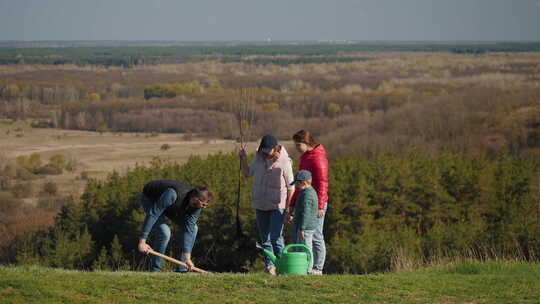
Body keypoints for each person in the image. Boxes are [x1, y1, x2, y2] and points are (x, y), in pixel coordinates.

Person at [239, 134, 295, 275]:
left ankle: (283, 265)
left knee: (276, 238)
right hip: (260, 205)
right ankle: (270, 267)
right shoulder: (258, 158)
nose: (265, 155)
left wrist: (288, 209)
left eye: (268, 152)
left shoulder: (285, 162)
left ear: (275, 149)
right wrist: (243, 160)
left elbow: (291, 187)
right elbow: (247, 173)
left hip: (278, 206)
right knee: (265, 239)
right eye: (263, 151)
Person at [137, 179, 212, 272]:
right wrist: (142, 241)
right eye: (203, 205)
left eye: (205, 205)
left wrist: (187, 258)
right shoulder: (173, 194)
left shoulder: (197, 206)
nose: (203, 207)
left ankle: (181, 268)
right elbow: (153, 214)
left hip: (170, 205)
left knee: (194, 229)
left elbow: (189, 229)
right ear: (195, 199)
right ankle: (155, 270)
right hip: (151, 199)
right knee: (165, 232)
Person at [289, 129, 329, 275]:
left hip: (316, 203)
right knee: (305, 234)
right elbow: (299, 183)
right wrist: (292, 204)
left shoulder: (318, 158)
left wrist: (320, 206)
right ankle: (305, 265)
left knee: (316, 234)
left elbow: (323, 183)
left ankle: (318, 267)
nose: (296, 148)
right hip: (303, 200)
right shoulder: (305, 157)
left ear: (306, 143)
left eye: (298, 145)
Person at [290, 170, 318, 272]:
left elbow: (306, 213)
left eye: (297, 183)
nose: (296, 186)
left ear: (304, 182)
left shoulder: (308, 194)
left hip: (306, 228)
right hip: (303, 226)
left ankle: (308, 269)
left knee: (306, 248)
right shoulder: (305, 192)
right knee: (302, 247)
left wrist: (302, 228)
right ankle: (301, 267)